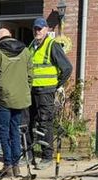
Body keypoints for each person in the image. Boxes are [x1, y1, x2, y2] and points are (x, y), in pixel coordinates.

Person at [0, 28, 33, 177]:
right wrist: (24, 91)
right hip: (19, 98)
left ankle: (8, 165)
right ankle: (16, 165)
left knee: (3, 132)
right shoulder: (25, 51)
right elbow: (30, 75)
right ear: (11, 36)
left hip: (3, 98)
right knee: (15, 131)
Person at [28, 16, 73, 170]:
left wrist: (55, 85)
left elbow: (67, 68)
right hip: (32, 91)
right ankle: (29, 155)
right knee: (28, 122)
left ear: (46, 29)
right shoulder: (31, 46)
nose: (37, 31)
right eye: (35, 28)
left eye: (40, 28)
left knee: (45, 123)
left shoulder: (52, 45)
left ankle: (47, 157)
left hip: (46, 91)